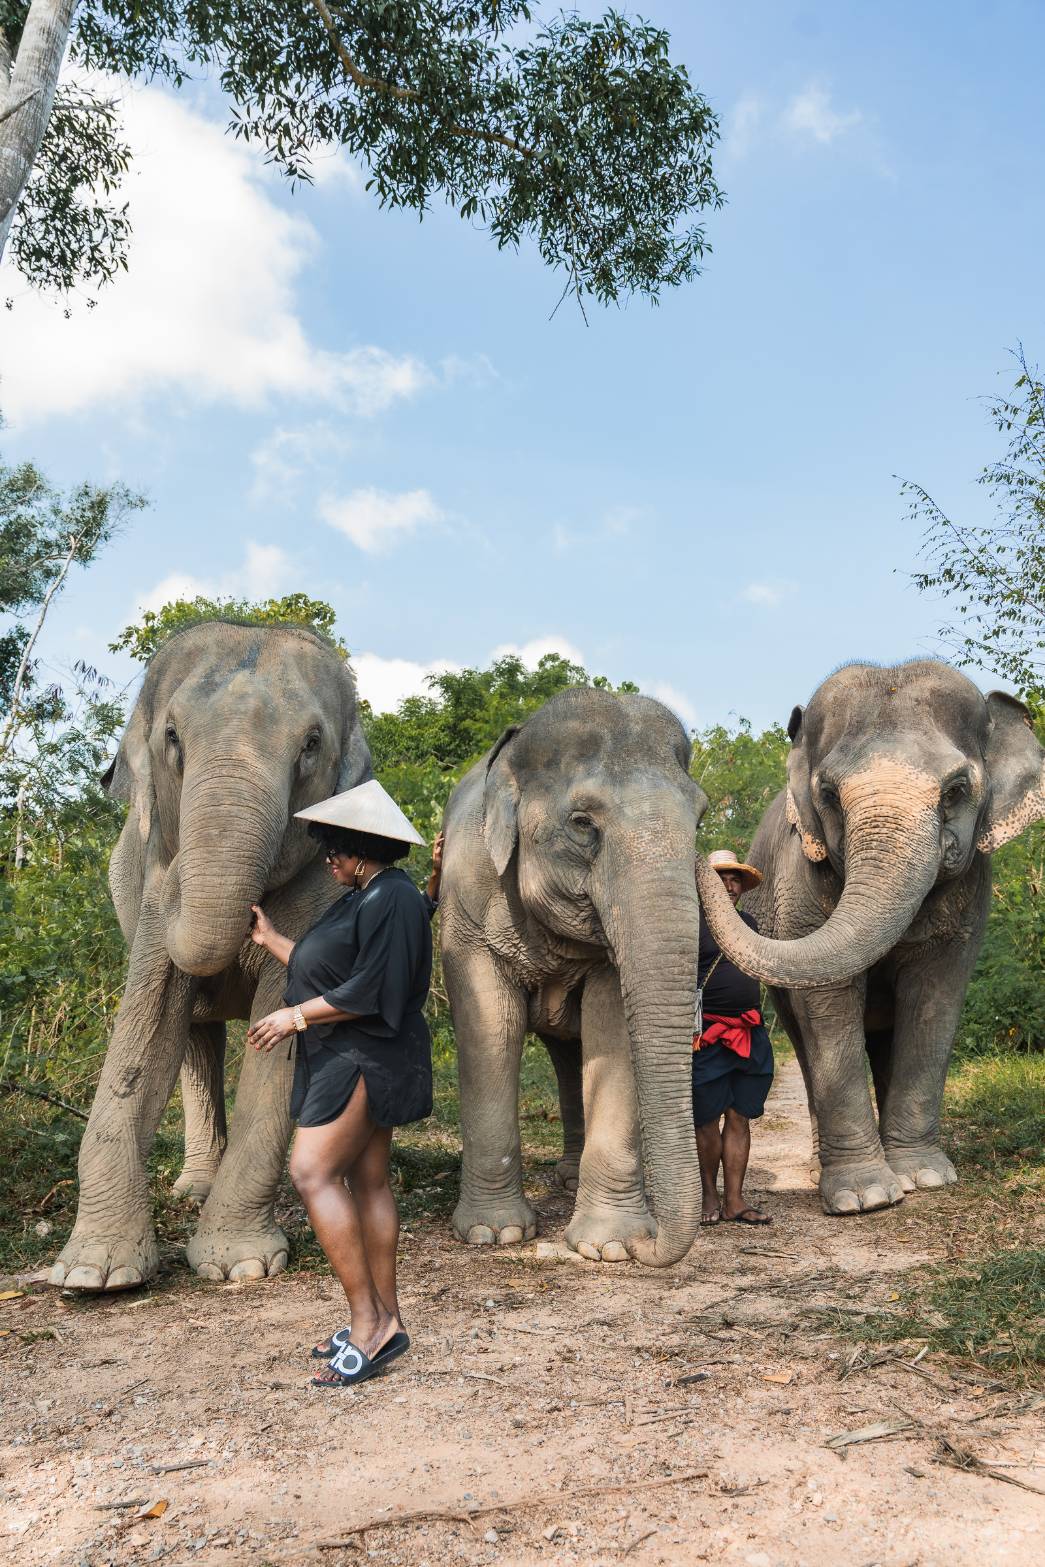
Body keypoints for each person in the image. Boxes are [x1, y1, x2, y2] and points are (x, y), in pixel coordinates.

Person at [247, 782, 444, 1387]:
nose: (328, 861)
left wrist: (294, 1016)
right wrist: (272, 940)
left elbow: (372, 987)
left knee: (311, 1171)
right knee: (366, 1179)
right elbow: (333, 967)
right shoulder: (368, 896)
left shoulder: (391, 897)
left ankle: (369, 1325)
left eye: (333, 850)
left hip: (365, 1054)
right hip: (349, 1051)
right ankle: (386, 1319)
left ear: (360, 849)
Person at [693, 848, 774, 1226]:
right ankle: (709, 1197)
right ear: (703, 885)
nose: (728, 885)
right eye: (720, 878)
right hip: (707, 1036)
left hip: (748, 1032)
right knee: (706, 1119)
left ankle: (735, 1201)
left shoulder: (750, 924)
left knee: (740, 1117)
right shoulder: (688, 923)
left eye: (734, 878)